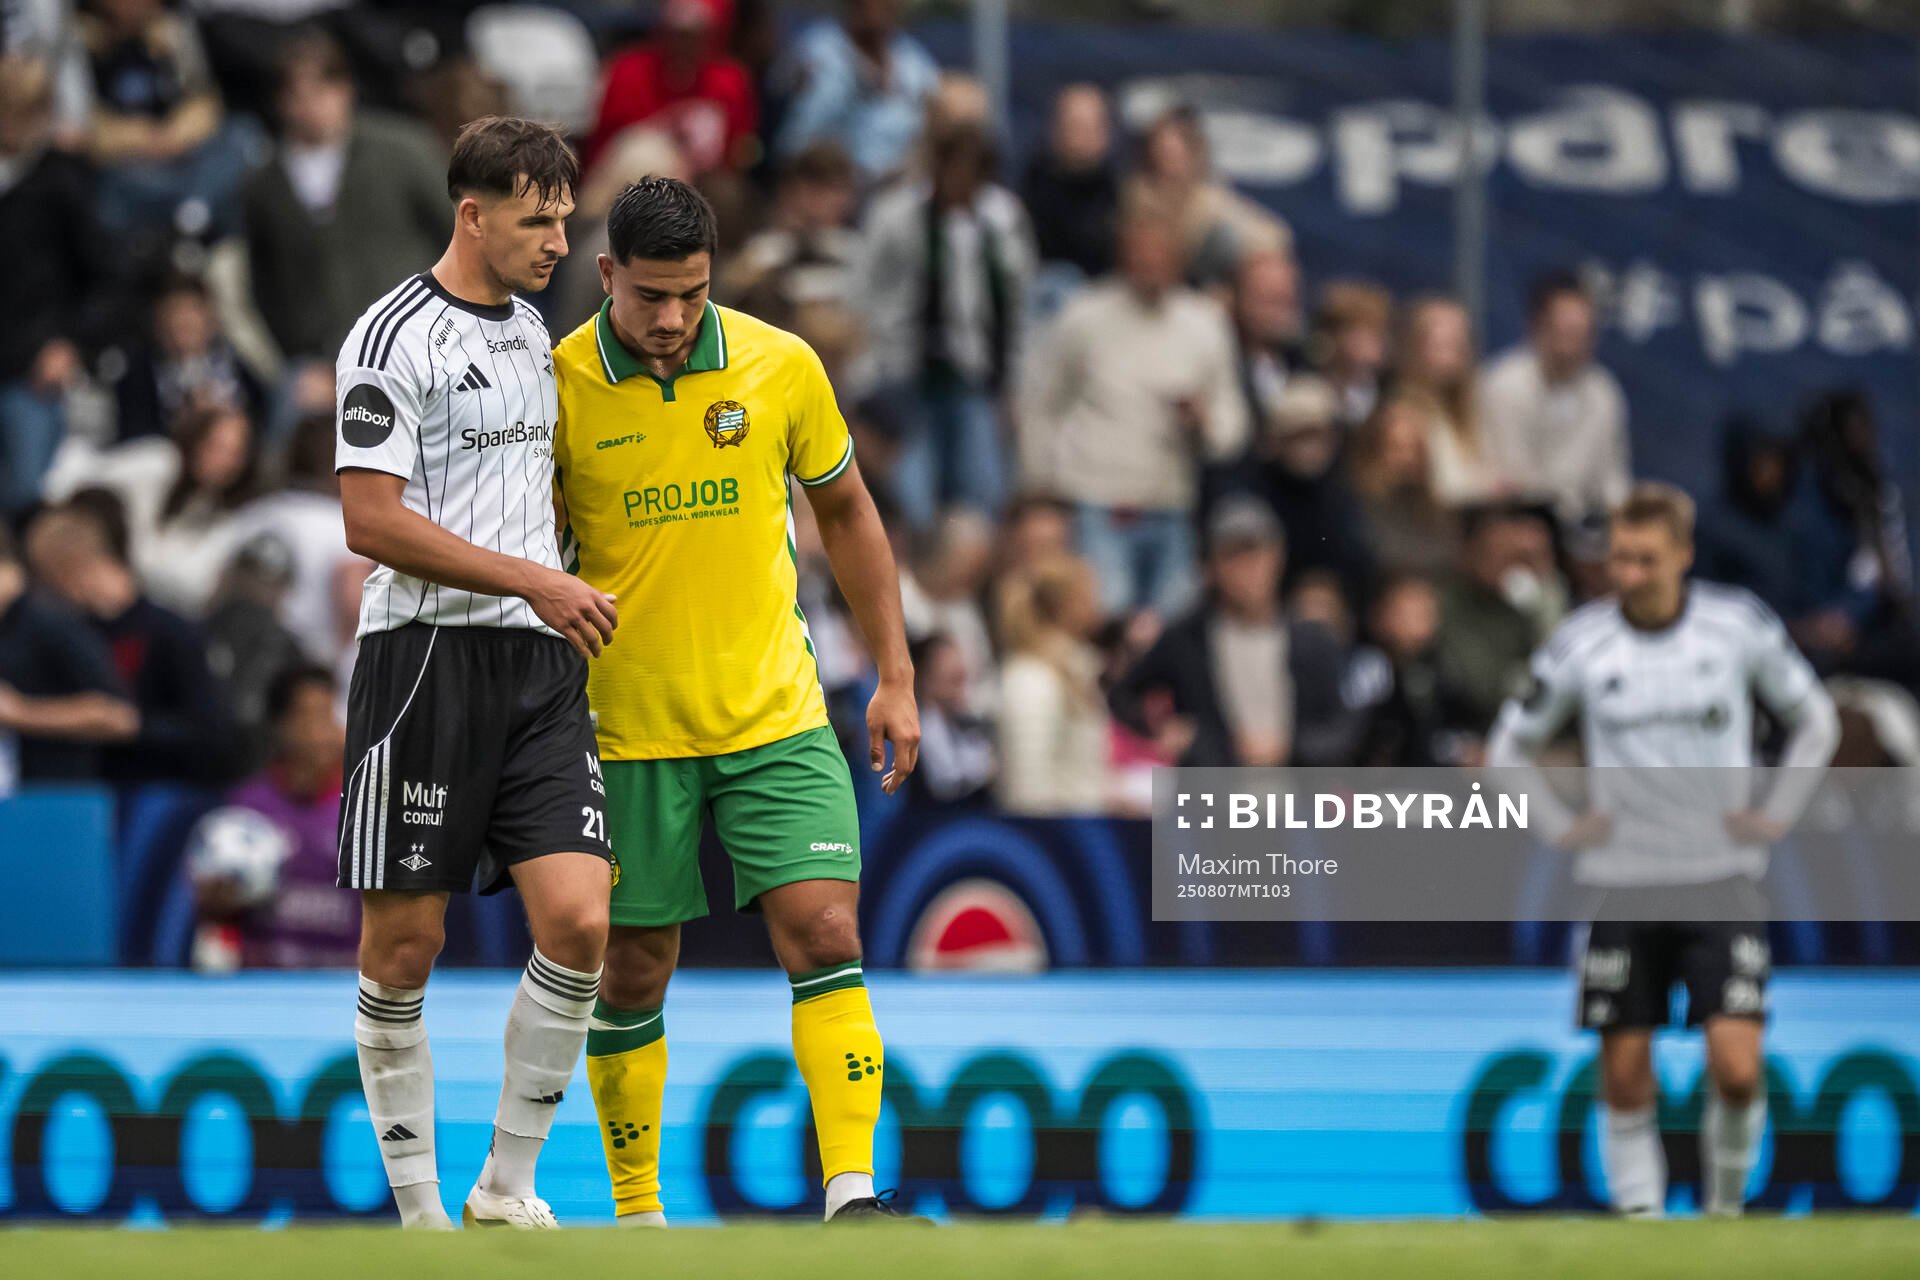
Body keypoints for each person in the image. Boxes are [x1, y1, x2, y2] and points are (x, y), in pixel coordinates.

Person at [550, 177, 920, 1224]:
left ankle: (851, 1197)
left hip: (776, 716)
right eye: (651, 297)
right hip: (624, 730)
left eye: (694, 295)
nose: (672, 320)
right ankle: (638, 1218)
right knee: (631, 966)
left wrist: (894, 672)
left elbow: (846, 510)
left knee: (829, 930)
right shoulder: (557, 385)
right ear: (607, 274)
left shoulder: (779, 364)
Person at [332, 116, 617, 1231]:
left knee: (581, 920)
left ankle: (505, 1183)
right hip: (424, 658)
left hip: (540, 666)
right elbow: (369, 519)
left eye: (562, 215)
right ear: (472, 213)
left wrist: (556, 582)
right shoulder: (387, 338)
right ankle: (418, 1213)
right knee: (405, 942)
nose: (557, 239)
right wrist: (530, 579)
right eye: (536, 219)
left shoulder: (533, 332)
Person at [1487, 483, 1840, 1218]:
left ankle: (1723, 1216)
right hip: (1622, 881)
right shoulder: (1582, 644)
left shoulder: (1735, 628)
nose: (1629, 575)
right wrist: (1559, 826)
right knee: (1624, 1073)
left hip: (1722, 876)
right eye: (1619, 559)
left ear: (1683, 555)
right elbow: (1507, 748)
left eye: (1646, 560)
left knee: (1737, 1069)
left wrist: (1776, 815)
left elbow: (1817, 722)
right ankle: (1641, 1230)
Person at [1020, 212, 1248, 617]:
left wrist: (1204, 421)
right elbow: (1042, 403)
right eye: (1142, 255)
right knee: (1103, 620)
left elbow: (1233, 424)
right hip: (1097, 501)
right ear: (1124, 255)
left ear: (1179, 258)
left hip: (1172, 505)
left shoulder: (1206, 324)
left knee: (1170, 630)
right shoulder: (1084, 316)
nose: (1151, 265)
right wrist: (1043, 482)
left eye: (1161, 255)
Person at [859, 121, 1034, 521]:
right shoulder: (898, 215)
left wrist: (1015, 383)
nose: (961, 181)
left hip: (976, 376)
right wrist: (874, 368)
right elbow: (866, 291)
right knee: (911, 497)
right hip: (908, 375)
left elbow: (1018, 305)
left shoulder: (1003, 221)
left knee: (983, 494)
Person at [244, 29, 448, 364]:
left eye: (322, 90)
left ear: (346, 89)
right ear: (281, 102)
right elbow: (265, 284)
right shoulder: (265, 183)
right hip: (322, 362)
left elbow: (460, 229)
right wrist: (294, 357)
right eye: (297, 94)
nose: (310, 106)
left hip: (420, 341)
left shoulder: (403, 149)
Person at [1108, 496, 1354, 769]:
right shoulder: (1186, 640)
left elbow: (1343, 726)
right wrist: (1171, 730)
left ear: (1278, 557)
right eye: (1233, 556)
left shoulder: (1313, 641)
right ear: (1211, 567)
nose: (1249, 569)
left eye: (1257, 554)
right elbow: (1121, 695)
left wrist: (1288, 746)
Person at [22, 498, 239, 785]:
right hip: (96, 790)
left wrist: (134, 726)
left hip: (162, 794)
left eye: (49, 583)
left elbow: (211, 733)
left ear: (70, 572)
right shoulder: (76, 632)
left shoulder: (171, 632)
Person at [189, 664, 357, 970]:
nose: (328, 730)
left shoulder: (365, 810)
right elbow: (213, 921)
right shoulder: (246, 809)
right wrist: (215, 905)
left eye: (335, 715)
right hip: (261, 985)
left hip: (343, 984)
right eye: (314, 716)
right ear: (283, 724)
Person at [0, 54, 107, 515]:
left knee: (29, 496)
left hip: (32, 372)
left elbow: (107, 278)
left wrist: (70, 342)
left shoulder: (61, 182)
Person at [1479, 272, 1630, 528]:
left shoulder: (1603, 391)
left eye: (1582, 332)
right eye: (1564, 331)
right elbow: (1511, 476)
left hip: (1587, 528)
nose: (1572, 344)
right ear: (1536, 327)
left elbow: (1613, 481)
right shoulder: (1504, 385)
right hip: (1520, 520)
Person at [0, 520, 138, 785]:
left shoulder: (50, 619)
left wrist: (22, 713)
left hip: (61, 799)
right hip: (16, 795)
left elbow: (120, 717)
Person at [772, 0, 938, 188]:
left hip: (904, 187)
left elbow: (933, 105)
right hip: (834, 185)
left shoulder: (910, 56)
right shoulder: (821, 48)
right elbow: (798, 142)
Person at [1122, 105, 1289, 289]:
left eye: (1176, 155)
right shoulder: (1133, 198)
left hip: (1197, 300)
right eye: (1162, 154)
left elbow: (1274, 237)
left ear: (1195, 155)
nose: (1169, 165)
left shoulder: (1210, 200)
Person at [585, 0, 756, 177]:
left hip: (705, 182)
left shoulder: (730, 80)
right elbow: (603, 145)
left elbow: (740, 149)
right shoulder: (628, 70)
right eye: (676, 33)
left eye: (692, 35)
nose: (683, 45)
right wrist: (666, 126)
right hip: (633, 180)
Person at [994, 553, 1108, 814]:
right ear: (1067, 606)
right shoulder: (1029, 678)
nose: (1098, 604)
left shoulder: (1075, 667)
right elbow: (1027, 788)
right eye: (1090, 595)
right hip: (1054, 840)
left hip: (1087, 827)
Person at [113, 272, 266, 442]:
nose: (182, 323)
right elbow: (135, 434)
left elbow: (260, 415)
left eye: (190, 316)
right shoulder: (138, 374)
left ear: (210, 318)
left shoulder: (235, 362)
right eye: (174, 315)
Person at [1397, 295, 1502, 507]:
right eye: (1440, 344)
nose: (1451, 355)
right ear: (1414, 347)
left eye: (1458, 344)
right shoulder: (1402, 416)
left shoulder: (1473, 409)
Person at [1020, 83, 1119, 281]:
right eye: (1073, 126)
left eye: (1089, 127)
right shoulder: (1030, 194)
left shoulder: (1123, 199)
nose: (1080, 137)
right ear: (1055, 129)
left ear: (1107, 134)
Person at [1311, 280, 1392, 431]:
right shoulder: (1312, 388)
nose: (1367, 342)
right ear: (1332, 336)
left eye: (1375, 332)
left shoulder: (1390, 394)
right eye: (1356, 332)